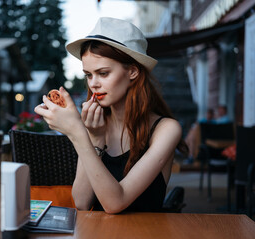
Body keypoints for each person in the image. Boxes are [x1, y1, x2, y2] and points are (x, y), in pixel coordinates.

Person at [34, 17, 188, 213]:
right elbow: (81, 202)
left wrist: (77, 133)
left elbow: (116, 202)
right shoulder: (97, 124)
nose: (93, 84)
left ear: (132, 71)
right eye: (89, 75)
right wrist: (95, 138)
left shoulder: (166, 129)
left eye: (103, 73)